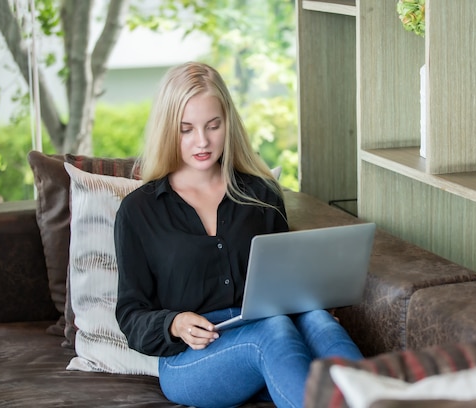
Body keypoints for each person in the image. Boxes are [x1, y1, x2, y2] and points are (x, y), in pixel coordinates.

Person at [114, 61, 363, 408]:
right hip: (191, 357)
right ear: (168, 129)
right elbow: (130, 314)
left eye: (213, 126)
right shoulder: (139, 212)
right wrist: (175, 323)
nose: (202, 141)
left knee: (319, 322)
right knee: (271, 333)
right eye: (186, 129)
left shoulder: (261, 193)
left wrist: (315, 293)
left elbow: (284, 282)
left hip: (269, 326)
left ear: (228, 124)